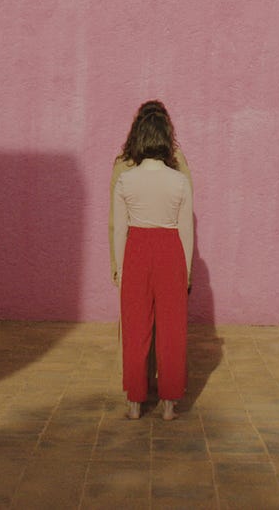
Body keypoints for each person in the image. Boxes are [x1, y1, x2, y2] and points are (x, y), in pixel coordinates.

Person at [110, 100, 194, 420]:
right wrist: (186, 272)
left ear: (138, 137)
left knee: (135, 329)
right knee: (172, 329)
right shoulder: (179, 181)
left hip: (137, 250)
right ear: (166, 138)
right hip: (170, 250)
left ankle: (134, 401)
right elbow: (186, 232)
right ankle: (169, 404)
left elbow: (120, 231)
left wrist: (120, 269)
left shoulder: (125, 181)